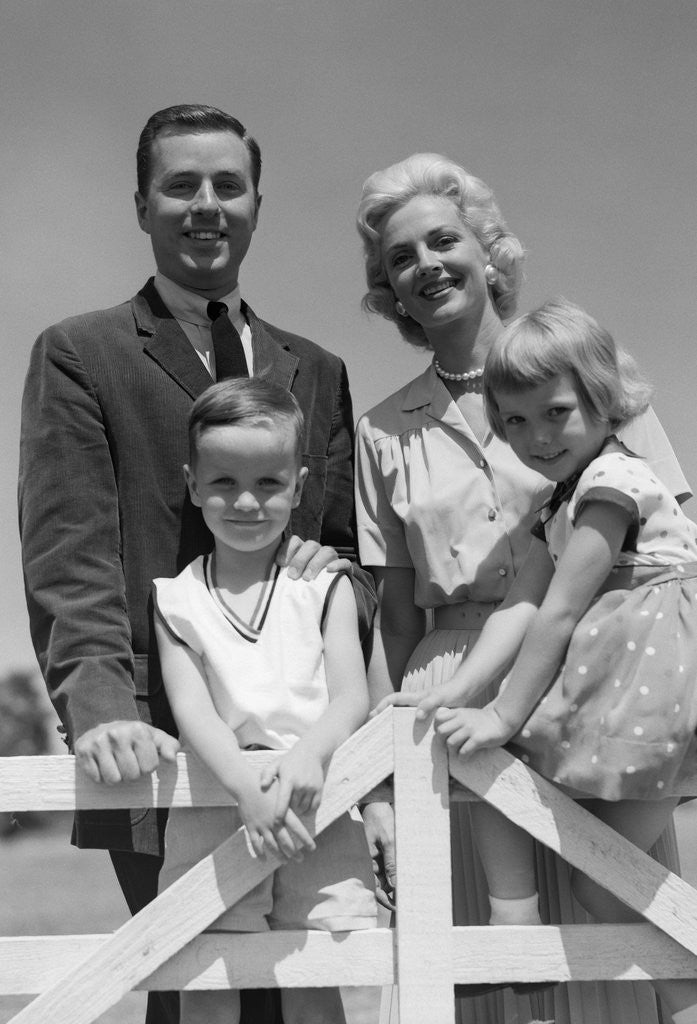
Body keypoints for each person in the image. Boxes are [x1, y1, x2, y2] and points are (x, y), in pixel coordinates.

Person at [18, 104, 374, 1024]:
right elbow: (69, 551)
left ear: (257, 204)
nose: (205, 204)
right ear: (142, 204)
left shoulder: (318, 369)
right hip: (160, 745)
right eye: (180, 185)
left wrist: (334, 727)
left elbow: (345, 558)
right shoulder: (80, 353)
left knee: (316, 998)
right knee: (202, 1001)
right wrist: (99, 711)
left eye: (228, 185)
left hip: (305, 753)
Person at [354, 153, 691, 1024]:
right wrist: (381, 768)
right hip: (450, 694)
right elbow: (393, 608)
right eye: (400, 257)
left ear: (488, 250)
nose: (424, 265)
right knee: (472, 969)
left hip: (597, 684)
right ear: (387, 289)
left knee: (617, 922)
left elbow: (672, 543)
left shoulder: (585, 365)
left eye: (443, 239)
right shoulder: (381, 428)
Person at [154, 377, 377, 1024]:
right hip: (216, 804)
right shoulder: (175, 600)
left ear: (300, 487)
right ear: (193, 484)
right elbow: (191, 710)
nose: (245, 502)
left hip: (319, 803)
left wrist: (310, 755)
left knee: (315, 985)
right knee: (209, 988)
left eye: (268, 484)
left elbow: (349, 696)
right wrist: (245, 792)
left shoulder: (324, 587)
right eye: (223, 482)